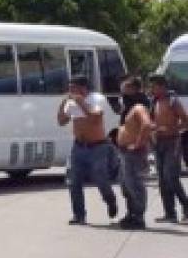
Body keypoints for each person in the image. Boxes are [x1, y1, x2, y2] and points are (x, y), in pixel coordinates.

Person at [57, 73, 119, 225]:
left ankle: (110, 199)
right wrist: (62, 105)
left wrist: (81, 103)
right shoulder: (70, 103)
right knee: (73, 181)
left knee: (101, 180)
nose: (70, 91)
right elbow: (61, 121)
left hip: (97, 146)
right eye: (70, 88)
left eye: (73, 88)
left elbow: (95, 118)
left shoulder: (96, 99)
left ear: (83, 88)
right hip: (79, 146)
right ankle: (79, 214)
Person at [148, 74, 188, 223]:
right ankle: (169, 213)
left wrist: (170, 128)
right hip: (158, 143)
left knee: (171, 178)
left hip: (172, 142)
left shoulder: (173, 101)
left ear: (162, 86)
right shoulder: (154, 101)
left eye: (153, 86)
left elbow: (185, 121)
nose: (151, 89)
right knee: (162, 180)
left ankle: (186, 207)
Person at [117, 76, 155, 230]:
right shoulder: (129, 108)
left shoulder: (139, 106)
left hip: (134, 153)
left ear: (133, 89)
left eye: (125, 89)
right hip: (125, 152)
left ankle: (139, 217)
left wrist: (137, 144)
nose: (122, 93)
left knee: (135, 185)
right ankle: (131, 213)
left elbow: (147, 125)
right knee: (126, 185)